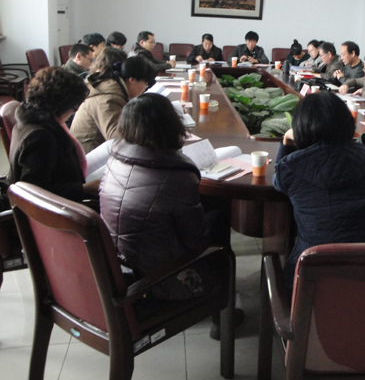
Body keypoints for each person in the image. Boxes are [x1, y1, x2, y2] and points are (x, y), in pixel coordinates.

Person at [99, 93, 240, 334]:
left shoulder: (116, 157)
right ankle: (221, 316)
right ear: (171, 125)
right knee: (218, 220)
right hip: (160, 281)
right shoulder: (177, 172)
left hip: (124, 266)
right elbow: (197, 242)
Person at [273, 91, 365, 287]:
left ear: (300, 128)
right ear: (346, 124)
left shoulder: (290, 169)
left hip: (311, 282)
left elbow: (278, 181)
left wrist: (287, 142)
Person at [8, 67, 100, 202]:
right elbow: (36, 191)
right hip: (61, 208)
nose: (73, 112)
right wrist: (84, 188)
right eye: (74, 107)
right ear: (61, 105)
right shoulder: (40, 137)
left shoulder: (28, 123)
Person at [71, 48, 156, 153]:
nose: (144, 89)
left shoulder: (114, 90)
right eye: (145, 84)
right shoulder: (109, 98)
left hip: (94, 149)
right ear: (132, 80)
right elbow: (116, 138)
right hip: (87, 154)